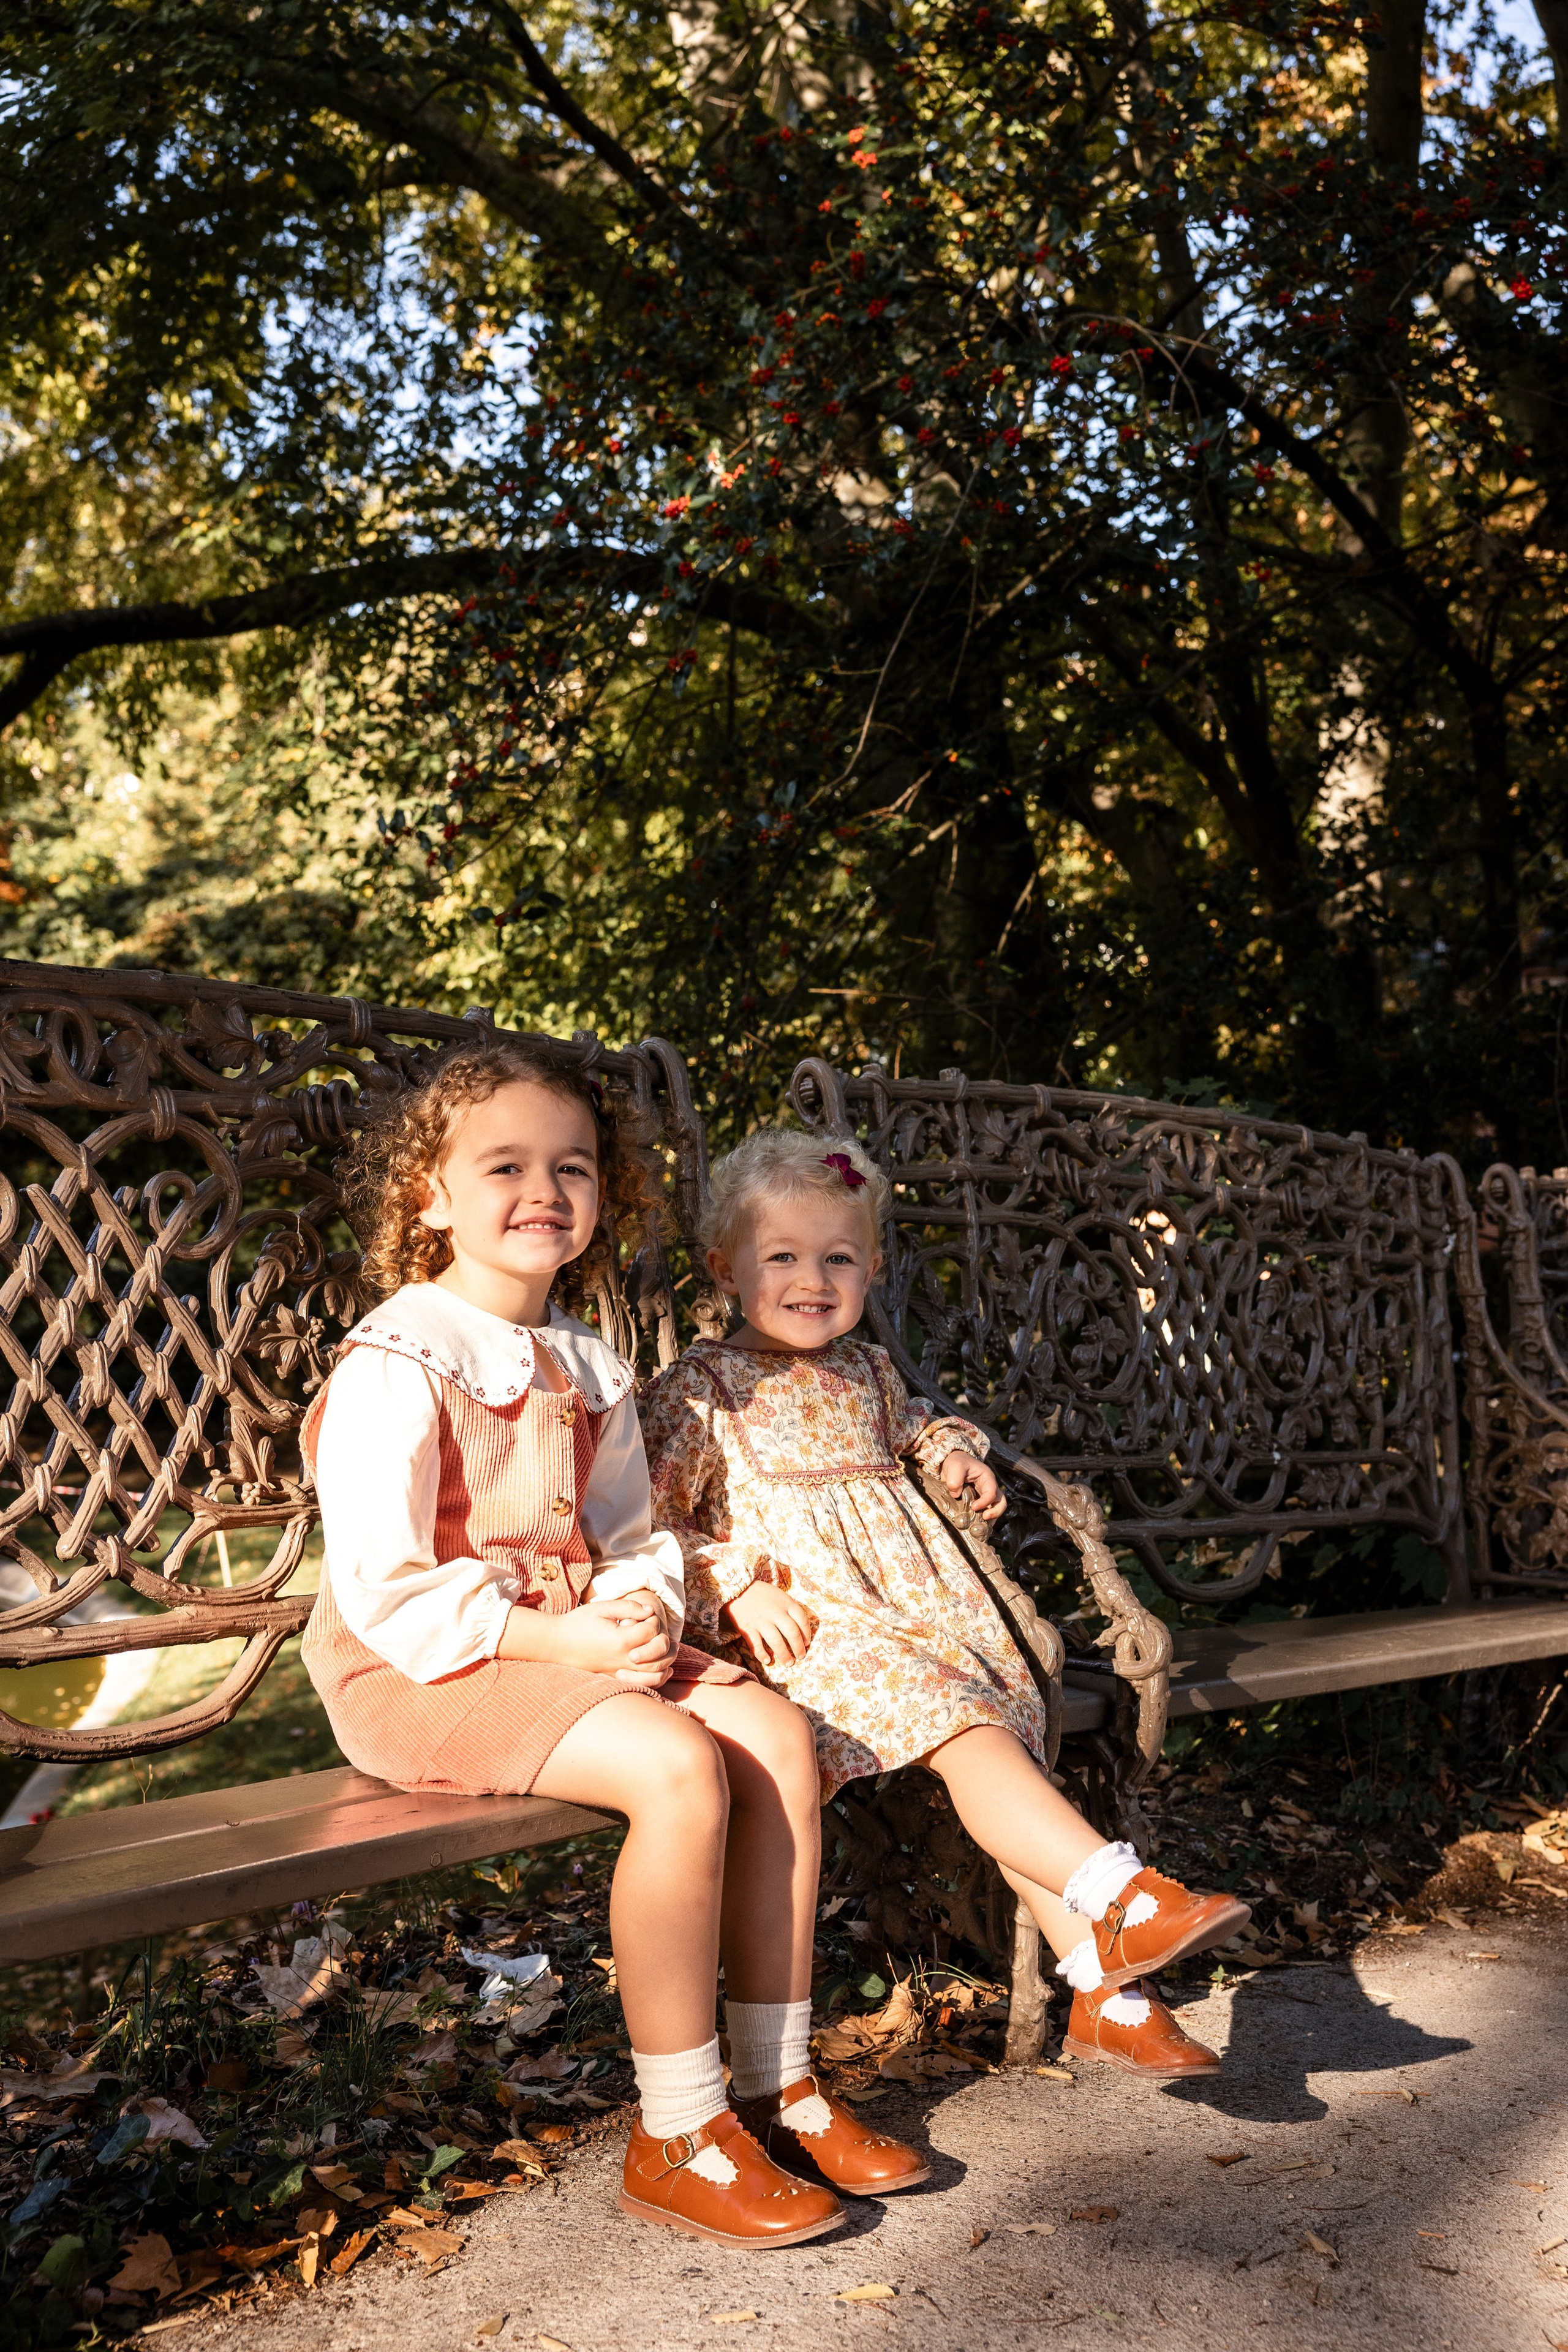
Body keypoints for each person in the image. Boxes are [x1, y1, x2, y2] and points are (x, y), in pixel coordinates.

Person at [301, 1045, 928, 2249]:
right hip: (426, 1663)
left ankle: (776, 2085)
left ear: (601, 1196)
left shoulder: (585, 1360)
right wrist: (566, 1641)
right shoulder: (401, 1359)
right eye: (505, 1166)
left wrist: (638, 1604)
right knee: (676, 1767)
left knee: (772, 1732)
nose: (545, 1190)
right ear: (428, 1195)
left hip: (577, 1640)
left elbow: (631, 1533)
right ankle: (678, 2129)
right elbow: (381, 1588)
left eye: (572, 1168)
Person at [641, 1128, 1248, 2083]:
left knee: (993, 1746)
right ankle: (1121, 1898)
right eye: (784, 1258)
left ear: (873, 1268)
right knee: (972, 1733)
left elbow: (924, 1427)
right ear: (726, 1269)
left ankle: (1109, 1993)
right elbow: (648, 1523)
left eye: (839, 1257)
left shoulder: (871, 1375)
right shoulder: (702, 1390)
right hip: (815, 1636)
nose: (814, 1278)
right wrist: (736, 1583)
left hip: (925, 1621)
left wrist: (952, 1454)